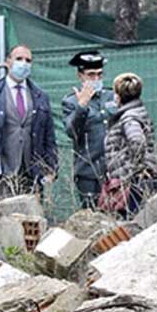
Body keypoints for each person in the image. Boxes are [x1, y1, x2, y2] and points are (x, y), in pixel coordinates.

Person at [0, 44, 58, 197]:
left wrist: (51, 167)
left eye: (28, 60)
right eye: (19, 59)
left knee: (32, 219)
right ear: (8, 62)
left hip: (32, 174)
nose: (23, 63)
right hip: (2, 174)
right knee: (4, 218)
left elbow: (49, 136)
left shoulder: (40, 97)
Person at [102, 71, 157, 217]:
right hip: (140, 179)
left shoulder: (129, 118)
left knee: (133, 223)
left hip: (136, 181)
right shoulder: (137, 112)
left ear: (118, 95)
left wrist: (132, 172)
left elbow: (137, 142)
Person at [62, 50, 108, 208]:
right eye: (91, 75)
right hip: (89, 173)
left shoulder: (112, 96)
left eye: (99, 75)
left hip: (114, 170)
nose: (96, 79)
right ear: (80, 76)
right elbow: (72, 132)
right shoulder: (72, 102)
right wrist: (82, 106)